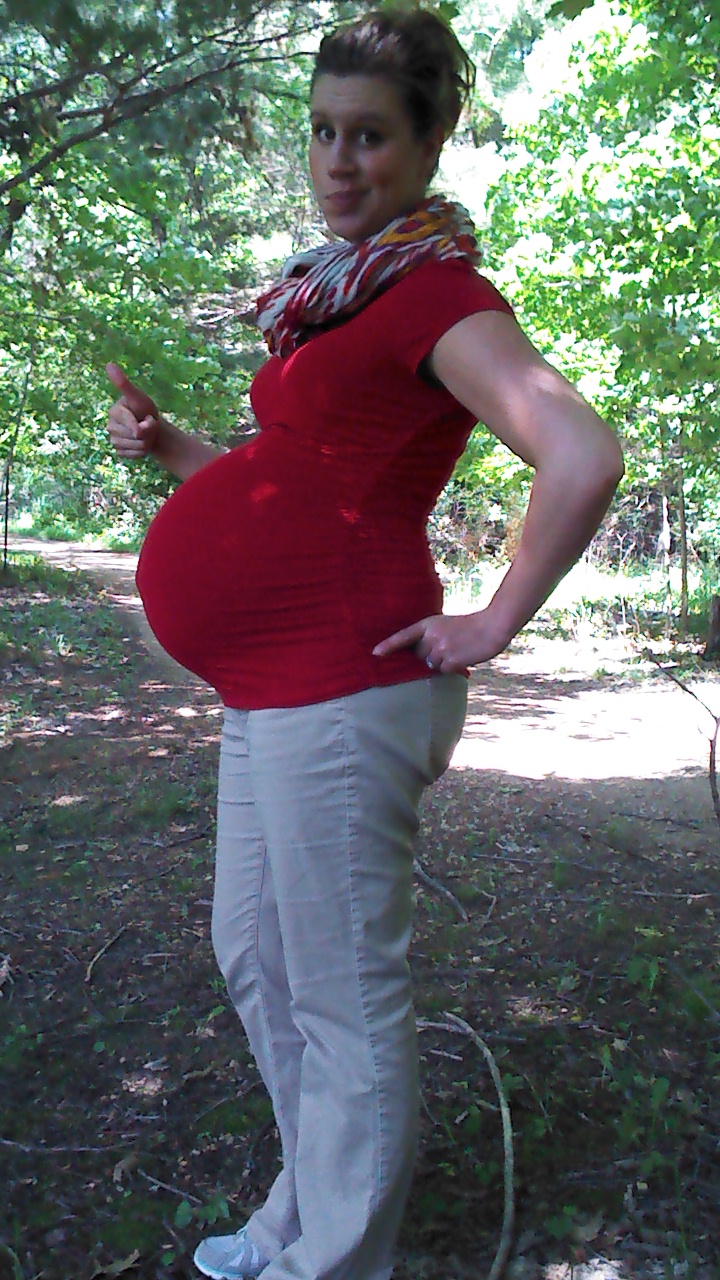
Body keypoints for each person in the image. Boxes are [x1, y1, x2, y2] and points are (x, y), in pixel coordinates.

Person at [106, 9, 624, 1280]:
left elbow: (582, 451)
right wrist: (174, 450)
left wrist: (495, 617)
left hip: (345, 678)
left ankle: (338, 1259)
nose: (340, 161)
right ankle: (304, 1210)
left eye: (373, 135)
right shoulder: (346, 295)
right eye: (324, 132)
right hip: (274, 684)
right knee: (257, 956)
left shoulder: (440, 296)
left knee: (337, 986)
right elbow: (294, 483)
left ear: (432, 140)